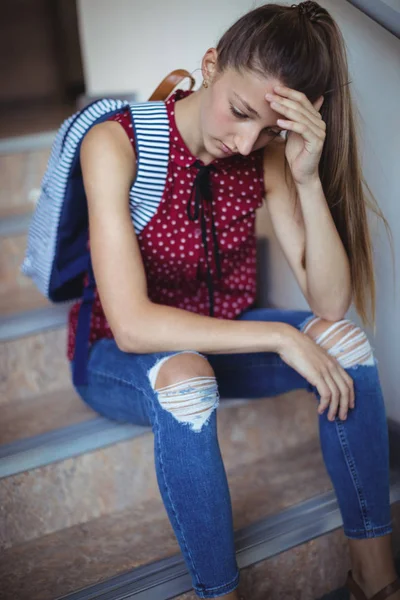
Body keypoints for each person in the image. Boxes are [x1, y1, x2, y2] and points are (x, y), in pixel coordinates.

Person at [69, 1, 399, 598]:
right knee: (189, 379)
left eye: (271, 130)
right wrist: (279, 335)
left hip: (225, 330)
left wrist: (303, 175)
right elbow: (133, 327)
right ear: (211, 64)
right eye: (241, 112)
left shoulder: (268, 157)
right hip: (118, 359)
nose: (247, 143)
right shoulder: (114, 144)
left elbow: (330, 300)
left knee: (346, 344)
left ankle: (375, 577)